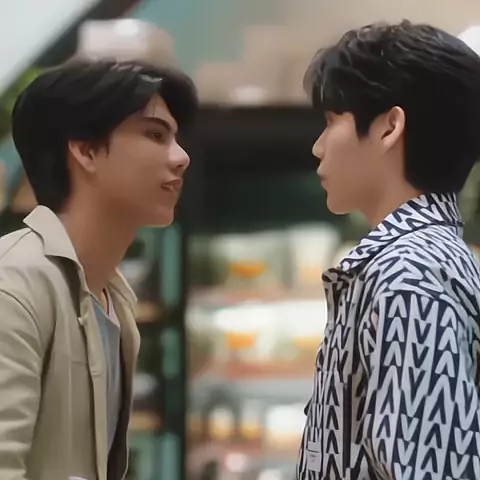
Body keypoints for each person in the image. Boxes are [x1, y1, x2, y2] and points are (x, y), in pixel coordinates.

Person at [298, 20, 480, 480]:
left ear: (388, 127)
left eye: (331, 121)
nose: (318, 147)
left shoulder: (409, 271)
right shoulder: (416, 261)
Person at [0, 59, 197, 480]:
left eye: (175, 138)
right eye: (155, 135)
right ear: (86, 150)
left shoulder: (114, 298)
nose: (181, 157)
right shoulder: (14, 285)